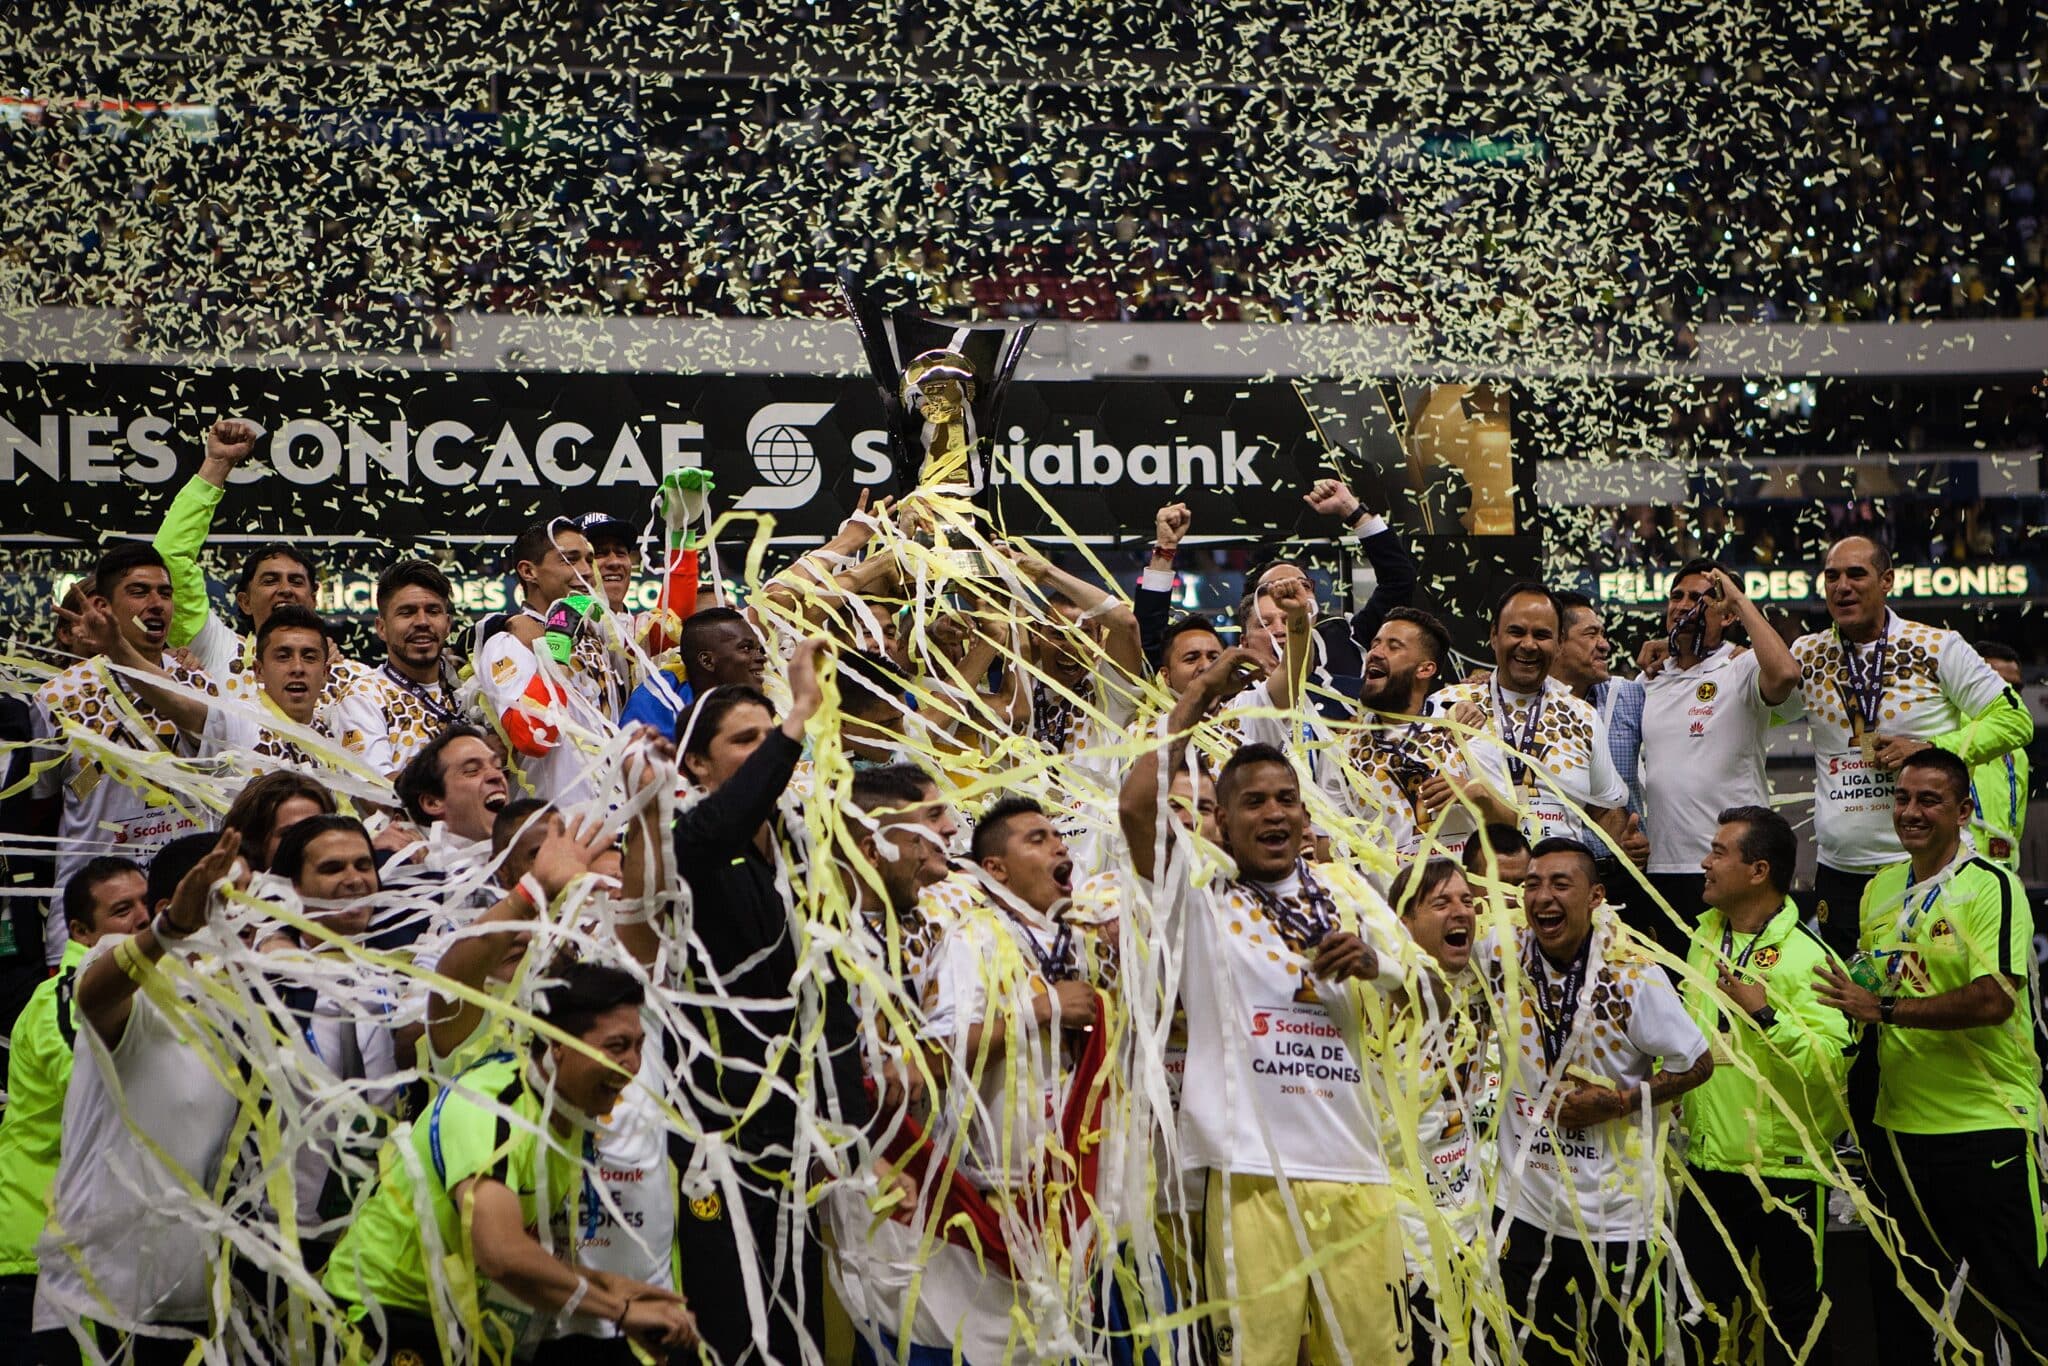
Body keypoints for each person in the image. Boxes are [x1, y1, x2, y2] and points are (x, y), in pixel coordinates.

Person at [1120, 651, 1423, 1366]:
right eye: (1253, 802)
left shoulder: (1348, 893)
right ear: (1220, 821)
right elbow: (1136, 803)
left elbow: (1433, 986)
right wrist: (1199, 696)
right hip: (1252, 1174)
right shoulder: (1198, 892)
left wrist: (1377, 966)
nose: (1274, 812)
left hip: (1358, 1169)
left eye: (1286, 798)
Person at [665, 640, 874, 1365]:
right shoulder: (680, 840)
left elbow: (830, 993)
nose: (762, 753)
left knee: (799, 1307)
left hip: (794, 1121)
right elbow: (723, 821)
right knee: (733, 1308)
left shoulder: (798, 850)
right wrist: (798, 720)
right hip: (715, 1122)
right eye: (742, 740)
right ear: (694, 762)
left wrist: (837, 1120)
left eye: (767, 736)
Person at [322, 961, 698, 1362]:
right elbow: (500, 1254)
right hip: (376, 1312)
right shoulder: (493, 1108)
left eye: (639, 1046)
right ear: (558, 1045)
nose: (634, 1065)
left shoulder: (567, 1115)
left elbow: (521, 1258)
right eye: (617, 1047)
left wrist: (606, 1284)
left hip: (451, 1318)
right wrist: (620, 1312)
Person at [1812, 748, 2048, 1365]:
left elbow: (1995, 999)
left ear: (1964, 810)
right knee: (1904, 1306)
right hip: (1897, 1131)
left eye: (1929, 800)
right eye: (1902, 798)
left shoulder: (1992, 886)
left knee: (2018, 1304)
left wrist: (1884, 1010)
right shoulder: (1879, 890)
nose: (1910, 812)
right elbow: (1875, 985)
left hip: (1984, 1125)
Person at [1488, 838, 1713, 1366]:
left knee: (1625, 1353)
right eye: (1532, 885)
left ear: (1596, 897)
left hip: (1615, 1218)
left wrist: (1617, 1102)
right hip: (1525, 1209)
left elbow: (1697, 1064)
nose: (1543, 897)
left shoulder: (1632, 975)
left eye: (1560, 884)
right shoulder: (1502, 958)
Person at [35, 830, 250, 1358]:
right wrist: (171, 930)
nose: (245, 913)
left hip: (203, 1307)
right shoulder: (118, 977)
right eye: (227, 897)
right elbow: (96, 995)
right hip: (97, 1301)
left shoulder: (253, 1004)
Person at [1779, 535, 2031, 959]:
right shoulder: (1807, 654)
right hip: (1839, 871)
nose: (1843, 586)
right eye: (1832, 576)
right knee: (1848, 1009)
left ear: (1887, 581)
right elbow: (1751, 702)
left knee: (1922, 1001)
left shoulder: (1937, 646)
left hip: (1925, 868)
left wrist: (1929, 749)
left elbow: (2015, 720)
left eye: (1857, 574)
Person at [1677, 806, 1850, 1366]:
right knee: (1705, 1323)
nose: (1704, 862)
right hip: (1706, 1171)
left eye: (1719, 852)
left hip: (1784, 1176)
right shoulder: (1701, 941)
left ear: (1759, 871)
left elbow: (1833, 1064)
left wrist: (1768, 1017)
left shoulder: (1811, 958)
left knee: (1797, 1325)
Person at [33, 542, 214, 963]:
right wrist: (99, 769)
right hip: (93, 914)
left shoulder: (197, 686)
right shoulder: (59, 696)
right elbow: (46, 800)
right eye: (139, 592)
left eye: (164, 594)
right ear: (102, 605)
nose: (156, 605)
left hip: (182, 903)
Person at [0, 858, 149, 1357]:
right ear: (82, 932)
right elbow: (99, 1091)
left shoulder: (150, 992)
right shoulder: (62, 1001)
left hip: (102, 1252)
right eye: (122, 910)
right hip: (39, 1256)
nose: (142, 919)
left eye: (147, 903)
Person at [1638, 563, 1800, 952]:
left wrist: (1741, 601)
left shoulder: (1741, 665)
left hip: (1732, 869)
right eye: (1676, 596)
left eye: (1699, 598)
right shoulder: (1648, 679)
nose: (1682, 605)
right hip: (1661, 867)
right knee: (1676, 997)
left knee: (1735, 990)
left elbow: (1786, 675)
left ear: (1727, 614)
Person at [1381, 858, 1498, 1366]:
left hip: (1468, 1216)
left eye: (1468, 902)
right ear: (1403, 921)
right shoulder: (1377, 994)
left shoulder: (1484, 978)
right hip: (1399, 1230)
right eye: (1442, 902)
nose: (1461, 912)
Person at [72, 599, 394, 779]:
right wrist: (118, 648)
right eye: (283, 656)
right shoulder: (237, 718)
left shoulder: (338, 730)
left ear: (325, 673)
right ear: (258, 670)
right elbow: (175, 700)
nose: (297, 667)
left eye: (309, 657)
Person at [1430, 583, 1632, 854]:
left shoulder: (1582, 716)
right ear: (1494, 636)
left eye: (1542, 635)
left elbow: (1605, 809)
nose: (1528, 644)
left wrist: (1626, 845)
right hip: (1476, 886)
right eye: (1516, 632)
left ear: (1559, 644)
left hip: (1555, 886)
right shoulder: (1447, 705)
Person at [1321, 607, 1514, 862]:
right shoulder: (1341, 750)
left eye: (1394, 646)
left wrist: (1474, 792)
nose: (1375, 653)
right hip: (1385, 899)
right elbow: (1329, 844)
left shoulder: (1465, 728)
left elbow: (1511, 823)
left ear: (1425, 669)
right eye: (1375, 644)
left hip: (1463, 897)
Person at [475, 521, 624, 805]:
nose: (585, 572)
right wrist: (556, 649)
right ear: (529, 571)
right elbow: (532, 737)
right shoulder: (508, 644)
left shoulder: (595, 635)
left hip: (611, 817)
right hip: (554, 821)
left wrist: (682, 535)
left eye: (588, 560)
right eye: (569, 559)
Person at [1550, 592, 1651, 876]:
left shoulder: (1629, 697)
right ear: (1557, 643)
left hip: (1623, 873)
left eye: (1603, 633)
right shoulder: (1521, 707)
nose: (1604, 645)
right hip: (1555, 875)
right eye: (1591, 634)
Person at [618, 605, 768, 738]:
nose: (761, 657)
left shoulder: (777, 699)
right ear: (707, 661)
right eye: (746, 648)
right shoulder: (657, 700)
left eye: (760, 649)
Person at [372, 558, 464, 765]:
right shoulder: (366, 696)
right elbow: (374, 791)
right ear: (381, 628)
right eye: (407, 612)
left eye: (433, 611)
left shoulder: (471, 686)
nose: (422, 622)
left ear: (448, 625)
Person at [1967, 639, 2028, 867]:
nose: (2010, 696)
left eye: (2016, 688)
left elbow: (2016, 829)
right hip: (1954, 880)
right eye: (2000, 685)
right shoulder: (1945, 735)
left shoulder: (2018, 753)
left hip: (2003, 875)